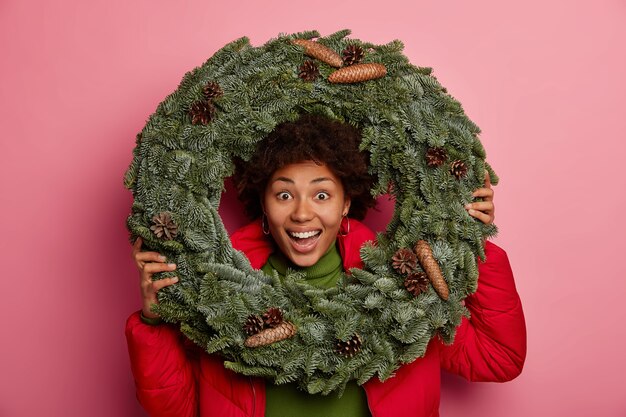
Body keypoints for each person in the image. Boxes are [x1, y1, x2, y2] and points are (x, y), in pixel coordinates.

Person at [126, 114, 526, 417]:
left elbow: (499, 357)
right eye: (284, 195)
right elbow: (173, 410)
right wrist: (154, 323)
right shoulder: (217, 290)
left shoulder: (403, 288)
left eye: (321, 195)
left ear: (346, 203)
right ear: (263, 204)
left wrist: (468, 243)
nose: (303, 214)